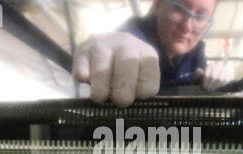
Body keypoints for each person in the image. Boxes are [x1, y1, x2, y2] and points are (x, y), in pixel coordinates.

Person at [73, 0, 234, 107]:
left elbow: (202, 83)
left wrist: (215, 75)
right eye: (178, 8)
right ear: (158, 5)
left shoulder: (197, 51)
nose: (187, 27)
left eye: (200, 17)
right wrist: (107, 50)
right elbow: (121, 42)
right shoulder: (134, 33)